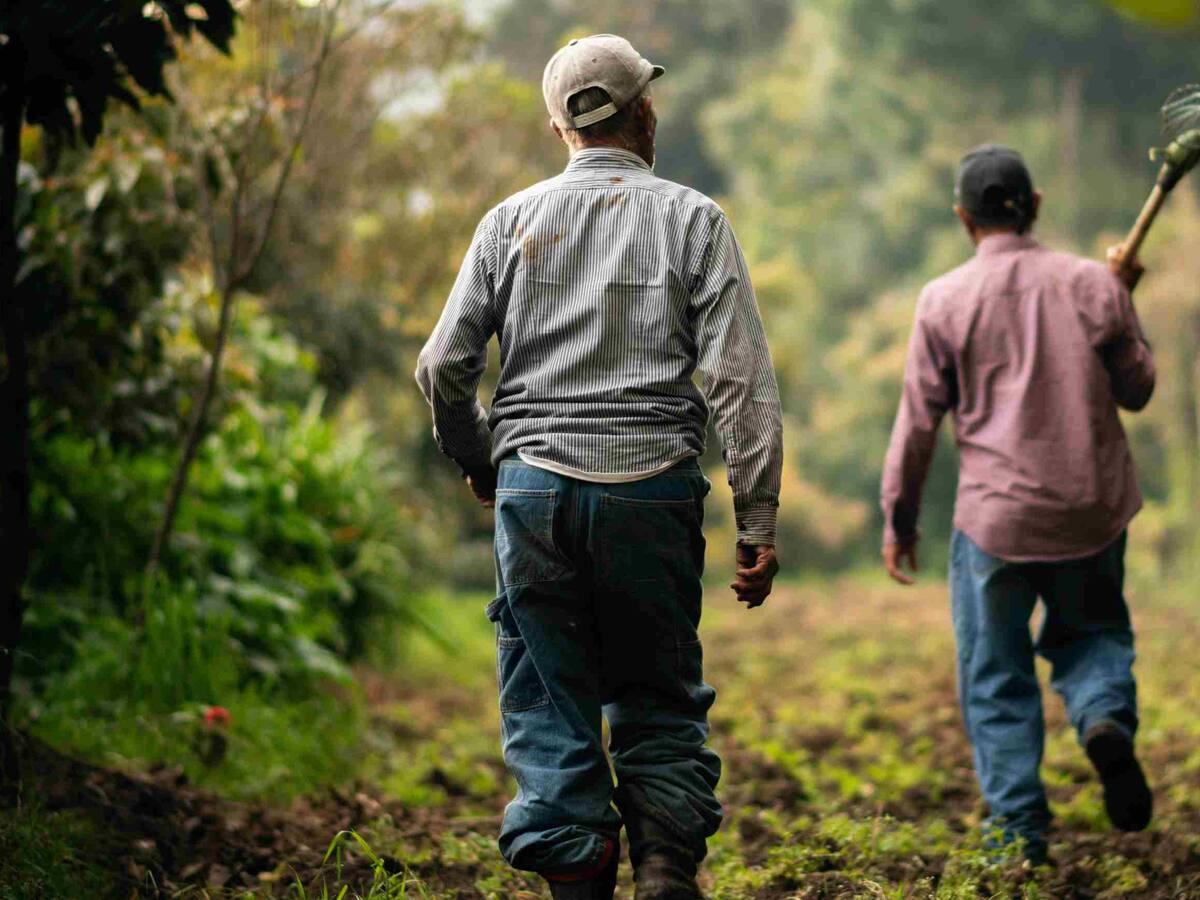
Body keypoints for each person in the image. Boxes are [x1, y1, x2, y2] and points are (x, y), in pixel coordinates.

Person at [415, 34, 784, 900]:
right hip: (652, 488)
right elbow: (741, 383)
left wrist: (480, 459)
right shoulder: (695, 219)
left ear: (559, 128)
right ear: (644, 114)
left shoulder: (509, 222)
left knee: (548, 695)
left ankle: (579, 871)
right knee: (656, 689)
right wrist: (756, 519)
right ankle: (663, 865)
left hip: (533, 490)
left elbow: (443, 366)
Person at [880, 144, 1156, 865]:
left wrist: (899, 518)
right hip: (1091, 510)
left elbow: (917, 425)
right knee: (1093, 633)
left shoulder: (942, 300)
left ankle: (1017, 838)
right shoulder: (1092, 286)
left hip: (995, 523)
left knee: (996, 675)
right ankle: (1103, 722)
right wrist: (1121, 297)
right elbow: (1138, 389)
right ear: (1034, 207)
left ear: (963, 219)